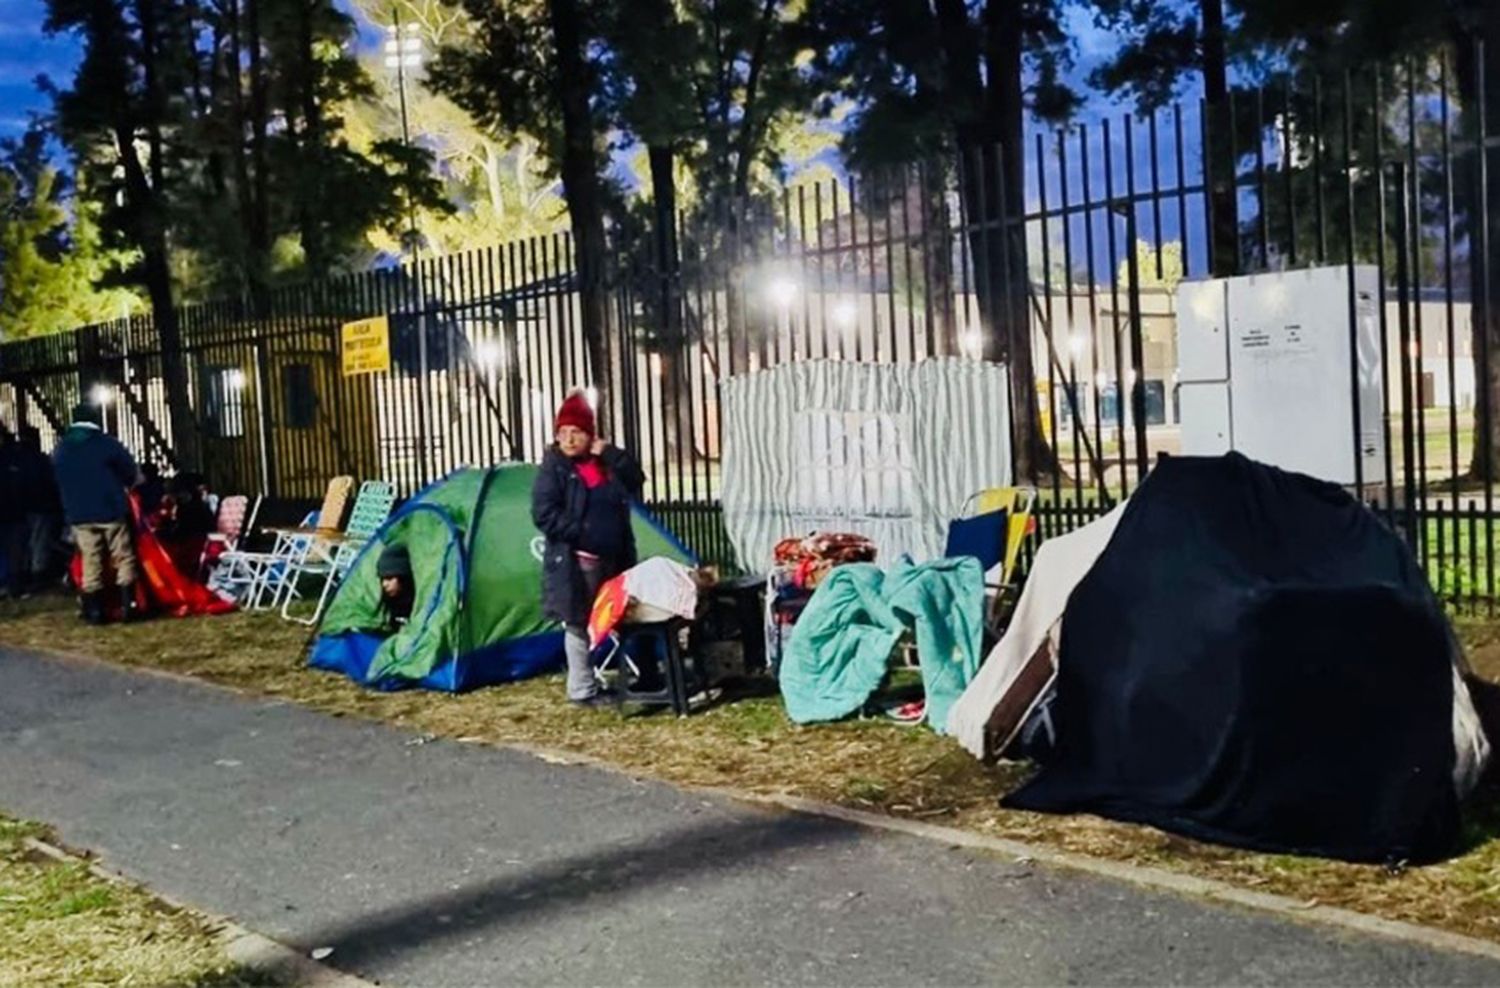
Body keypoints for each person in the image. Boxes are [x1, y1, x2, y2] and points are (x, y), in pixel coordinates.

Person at [531, 390, 646, 707]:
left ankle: (637, 675)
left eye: (576, 432)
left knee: (623, 614)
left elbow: (636, 479)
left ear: (589, 434)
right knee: (578, 622)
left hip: (615, 556)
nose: (568, 439)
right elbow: (544, 512)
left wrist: (611, 453)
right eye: (563, 433)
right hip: (576, 561)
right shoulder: (554, 468)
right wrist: (581, 532)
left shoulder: (603, 464)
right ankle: (581, 688)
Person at [52, 403, 143, 624]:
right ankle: (128, 606)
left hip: (79, 514)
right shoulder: (106, 444)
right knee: (123, 556)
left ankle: (95, 611)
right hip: (109, 510)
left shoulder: (61, 448)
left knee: (90, 560)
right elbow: (129, 471)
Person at [14, 427, 62, 592]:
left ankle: (23, 575)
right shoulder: (40, 459)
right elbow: (50, 480)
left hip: (20, 508)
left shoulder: (16, 459)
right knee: (39, 542)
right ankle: (38, 575)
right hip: (40, 506)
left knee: (22, 543)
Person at [0, 431, 25, 599]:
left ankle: (8, 584)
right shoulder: (11, 459)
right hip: (12, 511)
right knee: (13, 552)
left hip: (10, 511)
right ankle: (12, 585)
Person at [376, 543, 415, 634]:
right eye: (382, 579)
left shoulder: (418, 602)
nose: (384, 584)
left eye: (389, 578)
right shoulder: (387, 605)